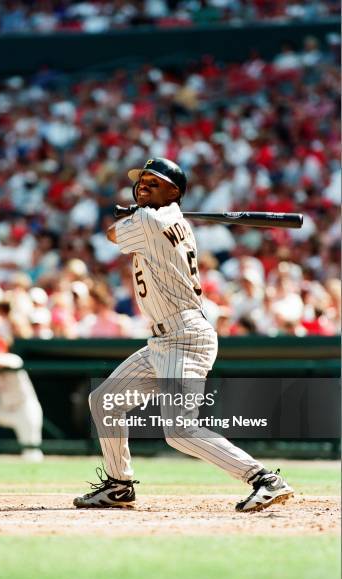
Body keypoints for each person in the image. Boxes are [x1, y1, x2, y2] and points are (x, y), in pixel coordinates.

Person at [73, 158, 294, 512]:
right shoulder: (169, 221)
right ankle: (119, 485)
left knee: (179, 431)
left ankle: (264, 478)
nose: (143, 185)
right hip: (164, 339)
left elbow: (113, 234)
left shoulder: (148, 219)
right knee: (105, 400)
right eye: (141, 180)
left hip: (184, 337)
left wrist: (132, 214)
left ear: (174, 191)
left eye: (153, 182)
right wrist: (140, 212)